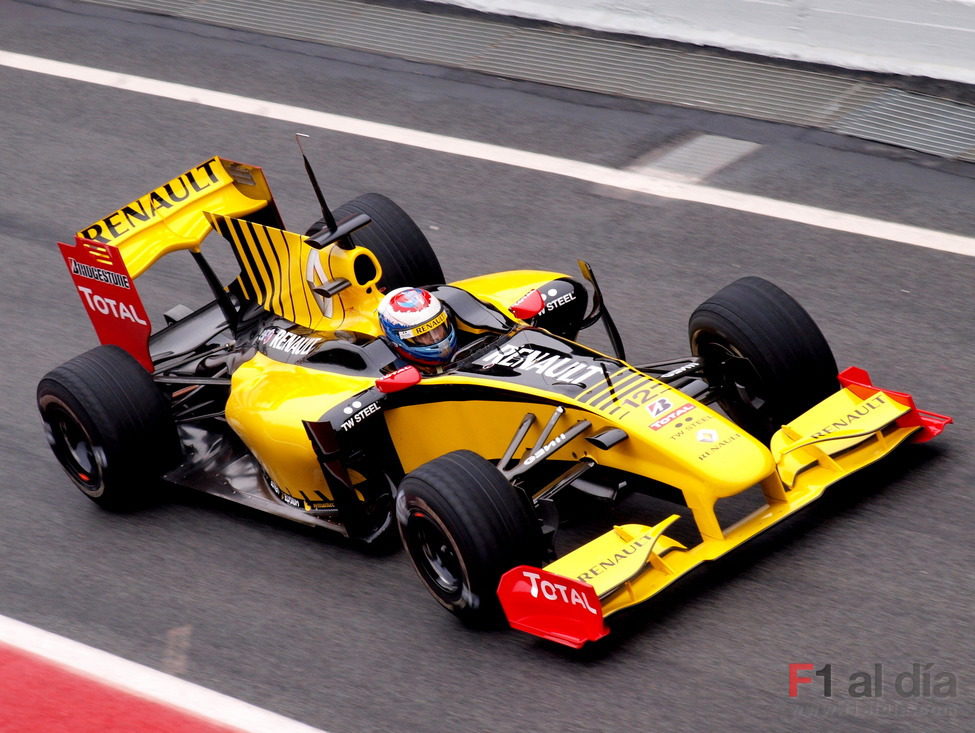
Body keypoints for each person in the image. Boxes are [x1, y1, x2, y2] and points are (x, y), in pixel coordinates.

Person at [378, 287, 457, 367]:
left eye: (437, 328)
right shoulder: (392, 370)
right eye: (423, 335)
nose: (436, 337)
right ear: (397, 340)